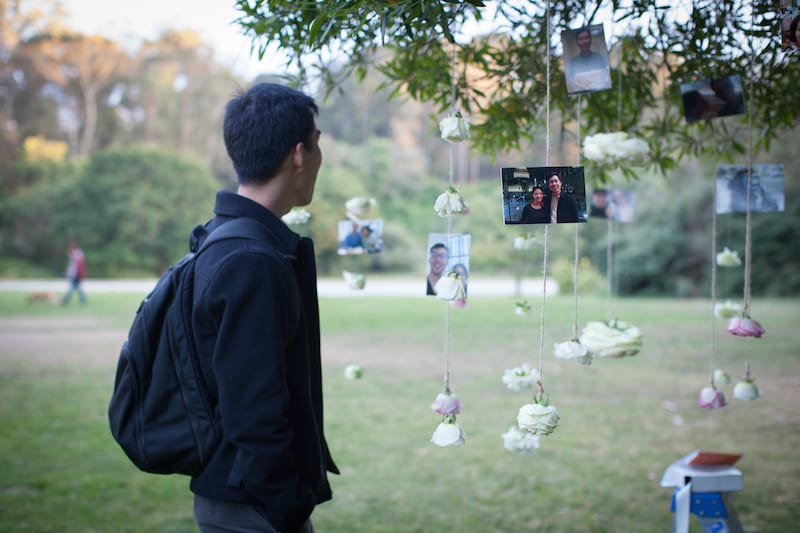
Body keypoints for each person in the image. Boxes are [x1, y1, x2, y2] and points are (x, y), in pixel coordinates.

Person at [189, 83, 338, 533]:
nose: (318, 159)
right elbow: (253, 410)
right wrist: (288, 505)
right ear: (299, 153)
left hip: (241, 497)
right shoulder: (252, 260)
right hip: (253, 508)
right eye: (317, 145)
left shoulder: (226, 238)